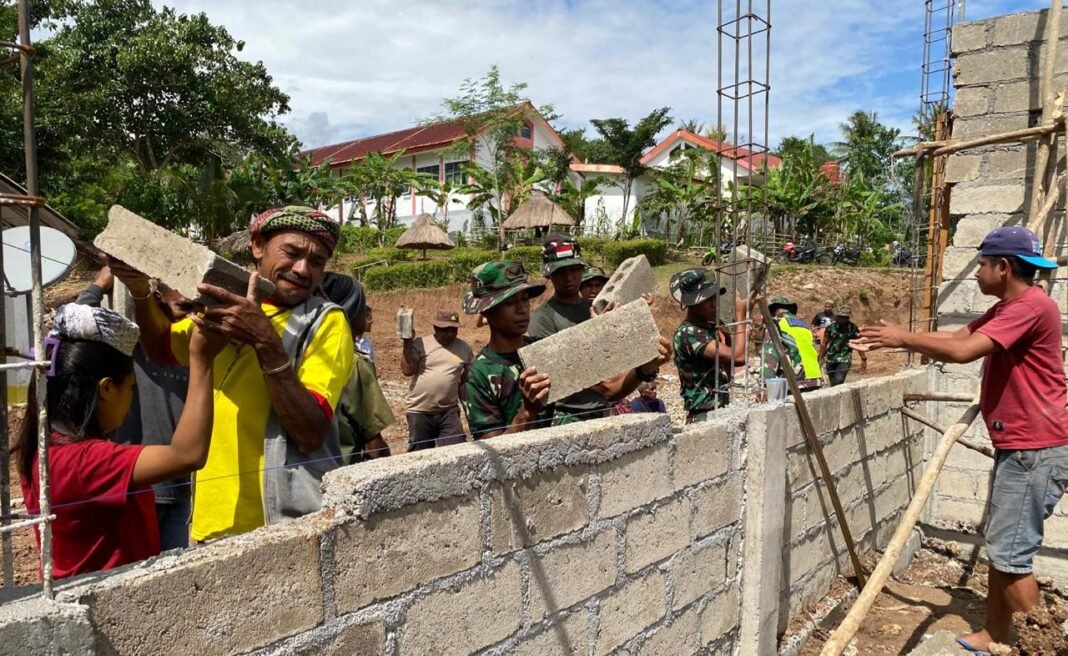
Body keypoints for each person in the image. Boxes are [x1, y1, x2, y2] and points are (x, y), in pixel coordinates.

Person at [856, 226, 1068, 654]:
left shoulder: (1030, 306)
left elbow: (962, 353)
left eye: (982, 264)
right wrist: (895, 340)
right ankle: (995, 634)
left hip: (1035, 449)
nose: (976, 272)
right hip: (1024, 447)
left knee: (1010, 555)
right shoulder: (1012, 306)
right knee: (1002, 547)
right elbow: (955, 337)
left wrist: (904, 338)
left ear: (1003, 267)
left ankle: (1044, 644)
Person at [112, 205, 355, 542]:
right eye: (292, 253)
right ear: (258, 246)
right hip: (208, 525)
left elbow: (310, 434)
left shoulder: (325, 322)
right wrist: (139, 290)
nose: (302, 269)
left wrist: (264, 341)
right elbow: (161, 350)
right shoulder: (227, 308)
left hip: (280, 529)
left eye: (316, 262)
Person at [17, 304, 225, 579]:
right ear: (106, 388)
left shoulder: (43, 447)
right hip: (111, 595)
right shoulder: (85, 461)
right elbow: (188, 454)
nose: (131, 398)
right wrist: (202, 360)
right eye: (130, 388)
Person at [75, 266, 194, 551]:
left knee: (174, 568)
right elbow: (75, 323)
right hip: (136, 482)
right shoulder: (129, 340)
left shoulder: (193, 343)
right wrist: (99, 285)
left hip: (181, 485)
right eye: (184, 306)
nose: (190, 315)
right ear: (157, 296)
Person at [528, 234, 668, 424]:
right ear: (549, 274)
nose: (569, 277)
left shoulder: (594, 309)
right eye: (560, 271)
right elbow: (606, 386)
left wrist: (635, 319)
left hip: (605, 411)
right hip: (568, 418)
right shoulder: (542, 319)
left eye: (574, 269)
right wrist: (601, 332)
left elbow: (622, 363)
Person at [462, 260, 553, 439]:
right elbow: (494, 450)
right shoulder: (476, 375)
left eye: (525, 299)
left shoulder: (543, 349)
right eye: (510, 302)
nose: (522, 309)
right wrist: (527, 413)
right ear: (487, 311)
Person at [321, 272, 393, 463]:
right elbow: (374, 447)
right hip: (344, 471)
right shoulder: (355, 364)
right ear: (350, 313)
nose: (367, 315)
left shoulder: (303, 354)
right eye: (362, 308)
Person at [670, 267, 752, 422]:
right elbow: (739, 357)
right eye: (708, 300)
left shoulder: (708, 328)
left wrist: (727, 334)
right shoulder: (689, 333)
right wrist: (740, 316)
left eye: (715, 298)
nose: (714, 304)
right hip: (704, 415)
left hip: (719, 409)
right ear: (693, 303)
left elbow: (730, 366)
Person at [400, 308, 473, 450]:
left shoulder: (464, 348)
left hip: (448, 411)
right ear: (435, 328)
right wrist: (407, 343)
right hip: (420, 411)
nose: (450, 334)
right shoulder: (420, 344)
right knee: (420, 455)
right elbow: (407, 371)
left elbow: (467, 379)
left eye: (453, 330)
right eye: (445, 330)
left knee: (456, 451)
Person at [761, 296, 822, 391]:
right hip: (814, 376)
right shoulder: (804, 325)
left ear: (772, 311)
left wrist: (765, 383)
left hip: (794, 380)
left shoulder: (775, 323)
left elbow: (770, 354)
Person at [819, 305, 866, 386]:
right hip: (831, 359)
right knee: (833, 383)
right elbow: (824, 344)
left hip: (845, 358)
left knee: (838, 381)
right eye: (841, 317)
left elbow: (858, 343)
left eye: (845, 317)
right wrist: (820, 358)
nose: (843, 319)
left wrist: (863, 359)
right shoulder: (830, 328)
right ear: (837, 316)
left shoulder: (853, 328)